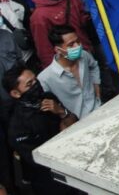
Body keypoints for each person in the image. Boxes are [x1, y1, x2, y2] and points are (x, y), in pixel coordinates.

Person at [2, 64, 80, 194]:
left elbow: (74, 125)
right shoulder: (17, 126)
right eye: (29, 84)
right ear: (16, 93)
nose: (36, 85)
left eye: (35, 79)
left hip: (74, 165)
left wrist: (61, 112)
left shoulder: (49, 98)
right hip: (50, 181)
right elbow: (39, 159)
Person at [30, 0, 94, 67]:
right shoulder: (39, 16)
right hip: (68, 63)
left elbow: (82, 19)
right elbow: (44, 50)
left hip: (86, 51)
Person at [38, 25, 101, 119]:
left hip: (99, 110)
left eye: (78, 41)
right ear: (58, 50)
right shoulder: (45, 78)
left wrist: (97, 91)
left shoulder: (84, 55)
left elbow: (94, 66)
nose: (77, 46)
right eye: (71, 44)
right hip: (77, 124)